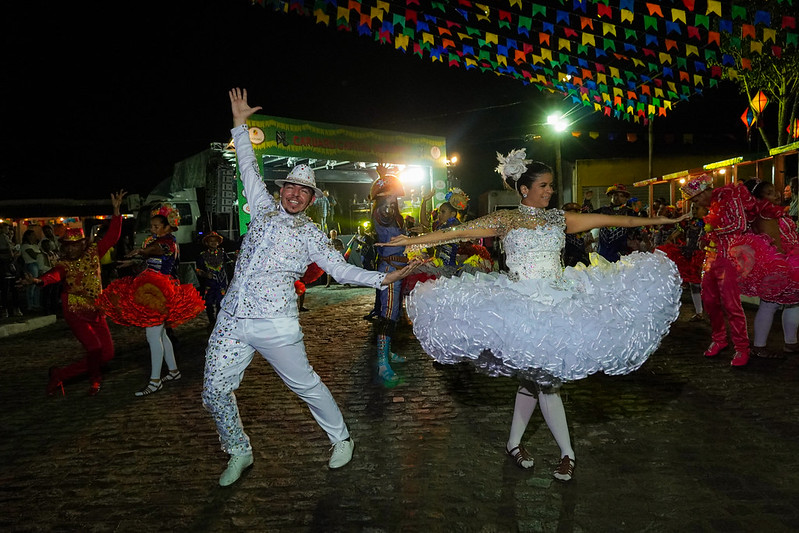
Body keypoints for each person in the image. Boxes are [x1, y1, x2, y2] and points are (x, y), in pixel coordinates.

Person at [380, 148, 686, 482]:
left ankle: (516, 444)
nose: (550, 191)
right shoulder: (507, 220)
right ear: (525, 189)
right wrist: (412, 239)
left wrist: (661, 220)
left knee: (536, 382)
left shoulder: (559, 219)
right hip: (520, 308)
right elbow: (456, 232)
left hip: (557, 305)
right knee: (543, 384)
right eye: (544, 185)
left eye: (551, 186)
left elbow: (616, 220)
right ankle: (565, 452)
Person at [201, 89, 422, 487]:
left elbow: (339, 269)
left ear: (310, 199)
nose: (295, 194)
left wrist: (382, 278)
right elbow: (248, 168)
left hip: (276, 323)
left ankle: (341, 439)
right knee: (213, 391)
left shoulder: (312, 235)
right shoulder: (263, 206)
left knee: (306, 385)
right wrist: (238, 124)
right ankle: (239, 450)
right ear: (282, 189)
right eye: (291, 187)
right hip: (231, 320)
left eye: (304, 191)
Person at [96, 203, 205, 395]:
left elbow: (157, 250)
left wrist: (140, 251)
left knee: (153, 336)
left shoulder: (167, 242)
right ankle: (173, 371)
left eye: (156, 226)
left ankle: (155, 381)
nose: (152, 229)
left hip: (158, 293)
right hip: (155, 289)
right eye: (152, 226)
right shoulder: (159, 241)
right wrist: (133, 260)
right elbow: (152, 256)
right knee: (161, 335)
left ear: (167, 227)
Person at [27, 191, 125, 396]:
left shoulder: (93, 253)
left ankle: (60, 374)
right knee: (94, 348)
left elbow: (113, 236)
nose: (71, 250)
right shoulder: (64, 264)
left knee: (107, 353)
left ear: (82, 244)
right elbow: (54, 275)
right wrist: (39, 280)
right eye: (67, 247)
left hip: (97, 308)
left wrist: (116, 212)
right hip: (74, 309)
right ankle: (95, 381)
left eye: (75, 245)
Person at [683, 174, 759, 366]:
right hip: (711, 258)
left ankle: (742, 348)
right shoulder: (711, 206)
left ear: (707, 191)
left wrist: (713, 232)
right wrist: (706, 237)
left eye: (697, 197)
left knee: (731, 305)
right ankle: (719, 339)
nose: (696, 202)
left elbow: (739, 225)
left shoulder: (729, 196)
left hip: (729, 258)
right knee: (709, 301)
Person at [741, 179, 799, 359]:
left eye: (775, 190)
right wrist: (784, 267)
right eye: (769, 192)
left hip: (789, 260)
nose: (776, 194)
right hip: (780, 262)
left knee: (793, 302)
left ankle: (791, 342)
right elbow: (774, 241)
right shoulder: (765, 213)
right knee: (770, 305)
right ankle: (759, 345)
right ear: (758, 198)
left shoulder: (773, 212)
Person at [595, 184, 639, 262]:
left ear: (625, 198)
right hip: (603, 251)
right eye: (615, 195)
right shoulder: (603, 210)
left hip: (619, 252)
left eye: (621, 196)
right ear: (611, 196)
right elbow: (586, 215)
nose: (617, 198)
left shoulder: (628, 212)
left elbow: (636, 228)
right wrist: (587, 201)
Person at [196, 231, 230, 326]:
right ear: (207, 243)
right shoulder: (202, 255)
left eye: (215, 241)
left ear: (218, 243)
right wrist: (205, 274)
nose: (213, 243)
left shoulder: (222, 253)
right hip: (209, 283)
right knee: (208, 302)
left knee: (221, 302)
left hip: (221, 282)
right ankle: (211, 321)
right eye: (211, 241)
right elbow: (198, 269)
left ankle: (219, 320)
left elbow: (230, 263)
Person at [0, 223, 23, 318]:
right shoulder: (2, 237)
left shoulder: (7, 238)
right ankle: (7, 309)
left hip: (11, 264)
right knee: (6, 288)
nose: (8, 230)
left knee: (13, 287)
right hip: (4, 265)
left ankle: (13, 308)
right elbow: (6, 251)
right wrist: (13, 254)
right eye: (6, 228)